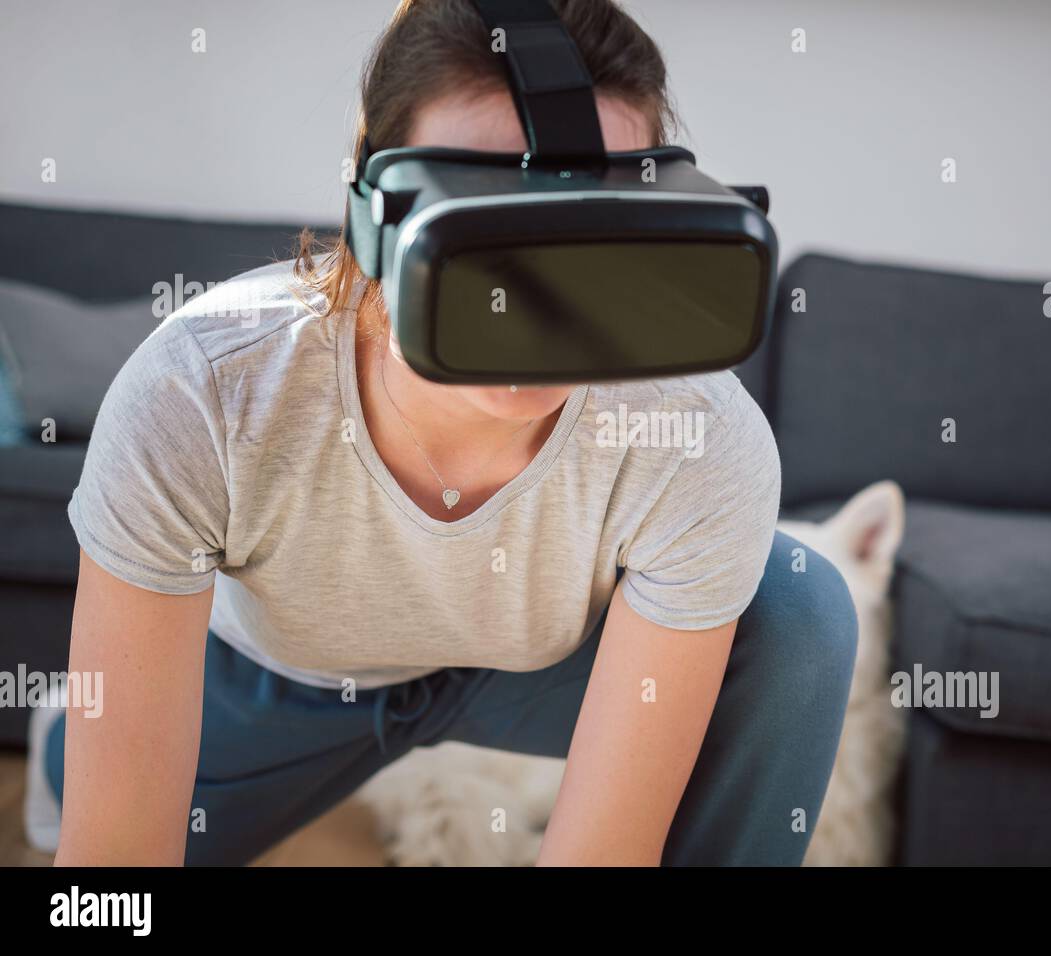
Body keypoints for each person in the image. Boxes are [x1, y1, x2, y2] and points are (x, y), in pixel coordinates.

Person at [27, 0, 857, 866]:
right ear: (373, 215)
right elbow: (113, 874)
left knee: (798, 612)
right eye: (485, 229)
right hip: (280, 682)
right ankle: (67, 742)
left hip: (546, 669)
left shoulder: (697, 435)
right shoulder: (198, 390)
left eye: (589, 238)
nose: (540, 309)